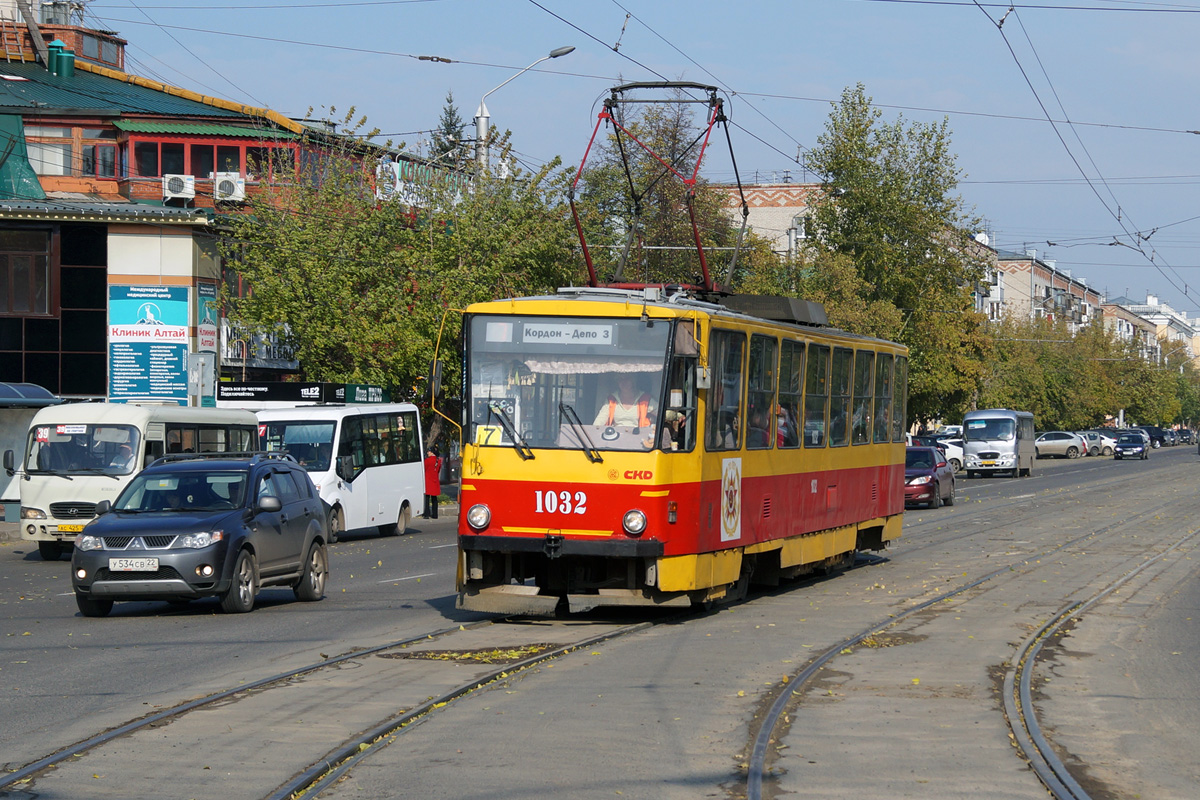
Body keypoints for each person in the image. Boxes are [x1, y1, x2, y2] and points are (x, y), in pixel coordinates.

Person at [422, 448, 442, 520]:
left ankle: (426, 514)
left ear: (431, 452)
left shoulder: (427, 460)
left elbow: (424, 469)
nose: (427, 453)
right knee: (434, 498)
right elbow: (438, 470)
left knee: (427, 498)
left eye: (428, 452)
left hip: (428, 480)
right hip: (435, 480)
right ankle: (435, 514)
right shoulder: (438, 461)